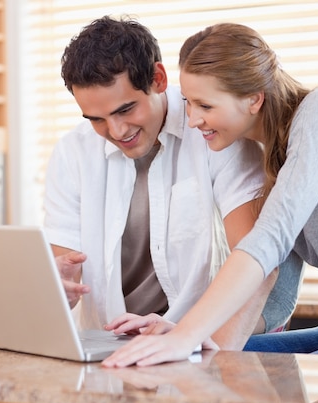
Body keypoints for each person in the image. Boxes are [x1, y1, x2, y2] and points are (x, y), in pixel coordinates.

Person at [102, 22, 318, 367]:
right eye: (188, 104)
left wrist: (184, 336)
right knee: (200, 367)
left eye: (205, 106)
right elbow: (275, 286)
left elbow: (266, 243)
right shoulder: (268, 157)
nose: (192, 120)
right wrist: (187, 335)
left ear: (253, 98)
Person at [44, 16, 304, 349]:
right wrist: (58, 291)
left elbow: (257, 260)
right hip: (112, 347)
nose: (116, 131)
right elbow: (66, 273)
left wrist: (202, 348)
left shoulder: (215, 130)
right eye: (97, 119)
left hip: (206, 340)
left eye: (126, 109)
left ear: (158, 78)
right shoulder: (72, 153)